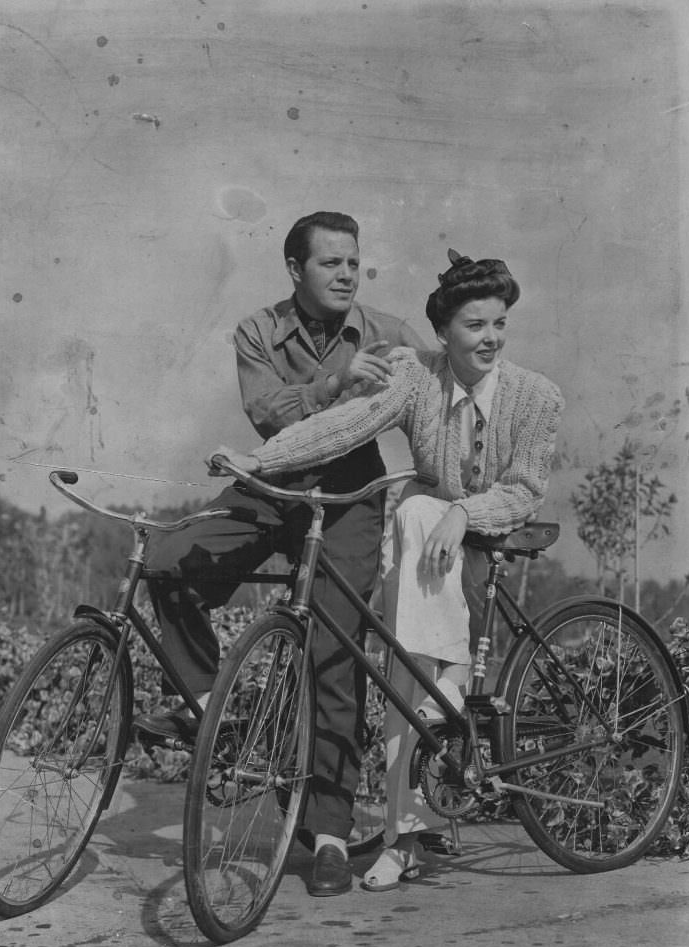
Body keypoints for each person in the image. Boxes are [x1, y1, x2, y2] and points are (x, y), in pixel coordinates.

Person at [210, 247, 565, 892]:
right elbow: (345, 426)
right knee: (408, 657)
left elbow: (525, 487)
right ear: (442, 333)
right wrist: (262, 461)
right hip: (430, 553)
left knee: (421, 516)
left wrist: (463, 513)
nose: (490, 339)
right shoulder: (415, 377)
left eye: (498, 325)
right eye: (474, 326)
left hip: (484, 533)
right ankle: (416, 797)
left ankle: (424, 769)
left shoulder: (536, 397)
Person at [139, 210, 425, 898]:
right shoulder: (258, 332)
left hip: (350, 499)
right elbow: (267, 412)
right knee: (167, 560)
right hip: (270, 482)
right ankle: (214, 707)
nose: (347, 274)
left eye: (354, 261)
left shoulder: (390, 331)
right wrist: (336, 383)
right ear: (295, 270)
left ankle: (327, 836)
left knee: (333, 650)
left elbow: (438, 390)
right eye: (331, 263)